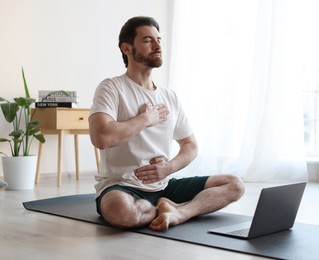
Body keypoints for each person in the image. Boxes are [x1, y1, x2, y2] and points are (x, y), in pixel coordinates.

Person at [89, 16, 244, 231]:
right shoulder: (112, 88)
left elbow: (190, 145)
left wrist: (169, 167)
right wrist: (145, 119)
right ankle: (167, 208)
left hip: (164, 184)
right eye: (147, 40)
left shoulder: (169, 96)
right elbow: (101, 137)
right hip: (122, 186)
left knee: (234, 185)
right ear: (126, 48)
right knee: (122, 212)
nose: (157, 45)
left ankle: (179, 211)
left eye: (158, 39)